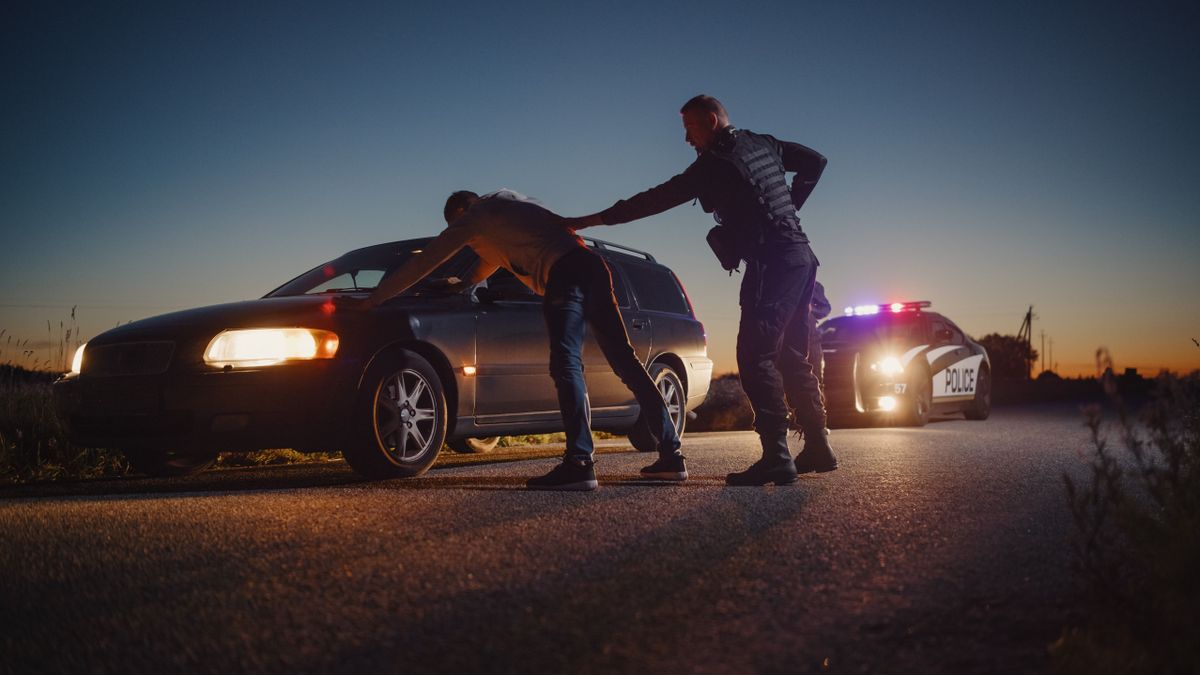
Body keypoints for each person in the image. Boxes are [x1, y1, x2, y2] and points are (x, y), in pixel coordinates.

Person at [564, 95, 838, 486]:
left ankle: (777, 455)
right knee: (793, 355)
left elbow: (652, 200)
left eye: (690, 129)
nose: (687, 140)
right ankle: (818, 446)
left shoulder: (713, 166)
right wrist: (787, 210)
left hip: (771, 262)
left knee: (755, 356)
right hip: (801, 257)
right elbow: (816, 162)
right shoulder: (765, 142)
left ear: (710, 121)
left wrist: (586, 220)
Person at [363, 189, 685, 491]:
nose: (465, 241)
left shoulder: (476, 218)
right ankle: (671, 457)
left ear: (462, 213)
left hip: (565, 274)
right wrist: (456, 286)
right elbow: (480, 272)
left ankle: (579, 462)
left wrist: (375, 299)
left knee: (566, 364)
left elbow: (424, 261)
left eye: (458, 228)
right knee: (625, 362)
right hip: (592, 267)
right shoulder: (508, 215)